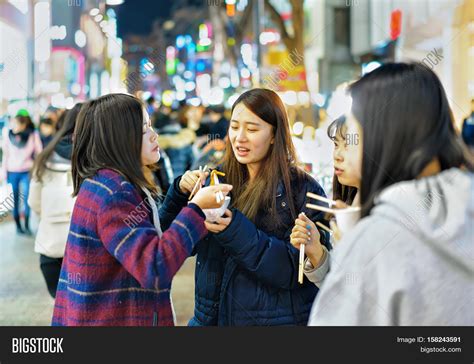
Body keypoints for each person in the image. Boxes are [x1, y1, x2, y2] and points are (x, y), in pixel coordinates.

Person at [308, 62, 474, 326]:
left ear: (382, 137)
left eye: (352, 136)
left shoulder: (377, 239)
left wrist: (350, 245)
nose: (342, 152)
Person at [52, 93, 232, 326]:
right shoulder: (115, 194)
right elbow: (154, 267)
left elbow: (146, 240)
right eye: (144, 128)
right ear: (120, 138)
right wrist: (197, 210)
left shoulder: (107, 181)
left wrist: (177, 194)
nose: (154, 134)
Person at [189, 88, 330, 326]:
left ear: (275, 134)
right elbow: (179, 246)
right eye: (234, 127)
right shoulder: (216, 180)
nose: (240, 137)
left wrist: (233, 229)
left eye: (252, 129)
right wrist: (181, 197)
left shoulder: (302, 189)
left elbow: (293, 272)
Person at [290, 115, 360, 287]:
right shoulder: (351, 201)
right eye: (336, 144)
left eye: (349, 145)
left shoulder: (389, 214)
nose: (337, 155)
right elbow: (337, 285)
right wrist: (315, 249)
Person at [28, 103, 82, 298]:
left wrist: (52, 217)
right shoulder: (95, 159)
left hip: (49, 248)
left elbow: (33, 202)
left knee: (61, 309)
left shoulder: (44, 157)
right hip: (82, 254)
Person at [1, 109, 42, 234]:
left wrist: (37, 169)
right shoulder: (7, 135)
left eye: (17, 124)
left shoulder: (33, 135)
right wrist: (3, 172)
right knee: (15, 198)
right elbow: (5, 155)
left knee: (27, 197)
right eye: (13, 124)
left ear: (24, 125)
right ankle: (18, 225)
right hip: (12, 171)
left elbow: (39, 152)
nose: (14, 126)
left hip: (27, 171)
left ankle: (27, 225)